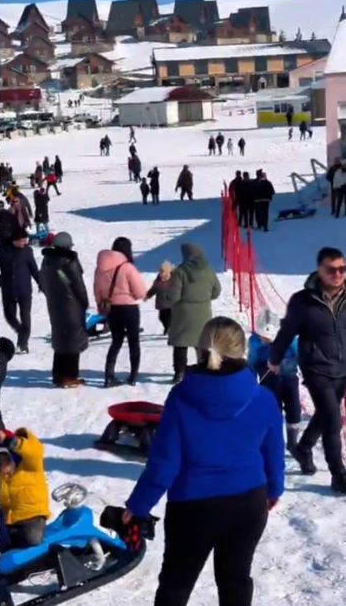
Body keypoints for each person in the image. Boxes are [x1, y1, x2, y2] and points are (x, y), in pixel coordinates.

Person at [123, 317, 283, 606]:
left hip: (193, 508)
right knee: (235, 580)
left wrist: (138, 506)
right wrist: (274, 490)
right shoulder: (263, 398)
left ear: (200, 349)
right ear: (242, 351)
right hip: (248, 503)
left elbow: (164, 463)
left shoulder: (181, 397)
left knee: (176, 583)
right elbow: (274, 453)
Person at [269, 247, 346, 493]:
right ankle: (339, 473)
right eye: (331, 269)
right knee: (333, 420)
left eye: (342, 269)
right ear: (319, 270)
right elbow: (287, 331)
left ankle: (304, 446)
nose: (337, 274)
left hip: (342, 366)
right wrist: (275, 357)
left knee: (326, 413)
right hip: (316, 367)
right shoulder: (303, 300)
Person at [93, 237, 148, 386]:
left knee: (116, 341)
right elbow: (140, 292)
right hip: (128, 308)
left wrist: (100, 306)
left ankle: (109, 375)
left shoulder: (100, 267)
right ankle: (132, 376)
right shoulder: (127, 267)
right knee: (133, 342)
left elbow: (96, 289)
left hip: (111, 308)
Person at [39, 232, 89, 387]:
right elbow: (78, 285)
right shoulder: (69, 262)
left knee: (61, 339)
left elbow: (43, 282)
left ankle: (58, 374)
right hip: (71, 306)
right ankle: (69, 376)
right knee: (73, 341)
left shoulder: (47, 261)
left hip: (55, 306)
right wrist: (84, 302)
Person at [167, 243, 222, 384]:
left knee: (180, 343)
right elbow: (217, 291)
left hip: (183, 312)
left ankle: (180, 373)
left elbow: (174, 296)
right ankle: (205, 370)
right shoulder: (208, 270)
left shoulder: (180, 272)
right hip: (203, 311)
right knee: (202, 343)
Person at [248, 311, 302, 452]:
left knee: (294, 408)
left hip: (289, 376)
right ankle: (274, 441)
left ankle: (293, 442)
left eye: (268, 338)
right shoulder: (254, 342)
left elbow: (300, 355)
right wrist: (251, 383)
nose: (265, 341)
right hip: (269, 380)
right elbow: (252, 362)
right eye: (262, 338)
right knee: (273, 410)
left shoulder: (290, 337)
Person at [0, 427, 50, 549]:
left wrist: (10, 441)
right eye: (2, 472)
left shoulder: (30, 465)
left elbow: (35, 451)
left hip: (33, 515)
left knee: (32, 539)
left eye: (9, 470)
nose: (7, 475)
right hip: (10, 520)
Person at [1, 229, 41, 354]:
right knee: (10, 316)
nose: (25, 242)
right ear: (14, 241)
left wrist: (42, 283)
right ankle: (21, 331)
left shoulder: (27, 252)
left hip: (24, 290)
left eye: (26, 240)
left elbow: (34, 269)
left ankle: (22, 343)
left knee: (25, 318)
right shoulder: (2, 251)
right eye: (22, 240)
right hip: (8, 290)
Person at [145, 260, 174, 335]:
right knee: (161, 317)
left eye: (163, 271)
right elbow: (153, 289)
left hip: (171, 303)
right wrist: (147, 295)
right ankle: (167, 327)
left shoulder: (173, 280)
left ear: (168, 272)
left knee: (169, 318)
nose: (161, 273)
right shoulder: (158, 281)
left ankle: (169, 329)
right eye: (160, 271)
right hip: (161, 303)